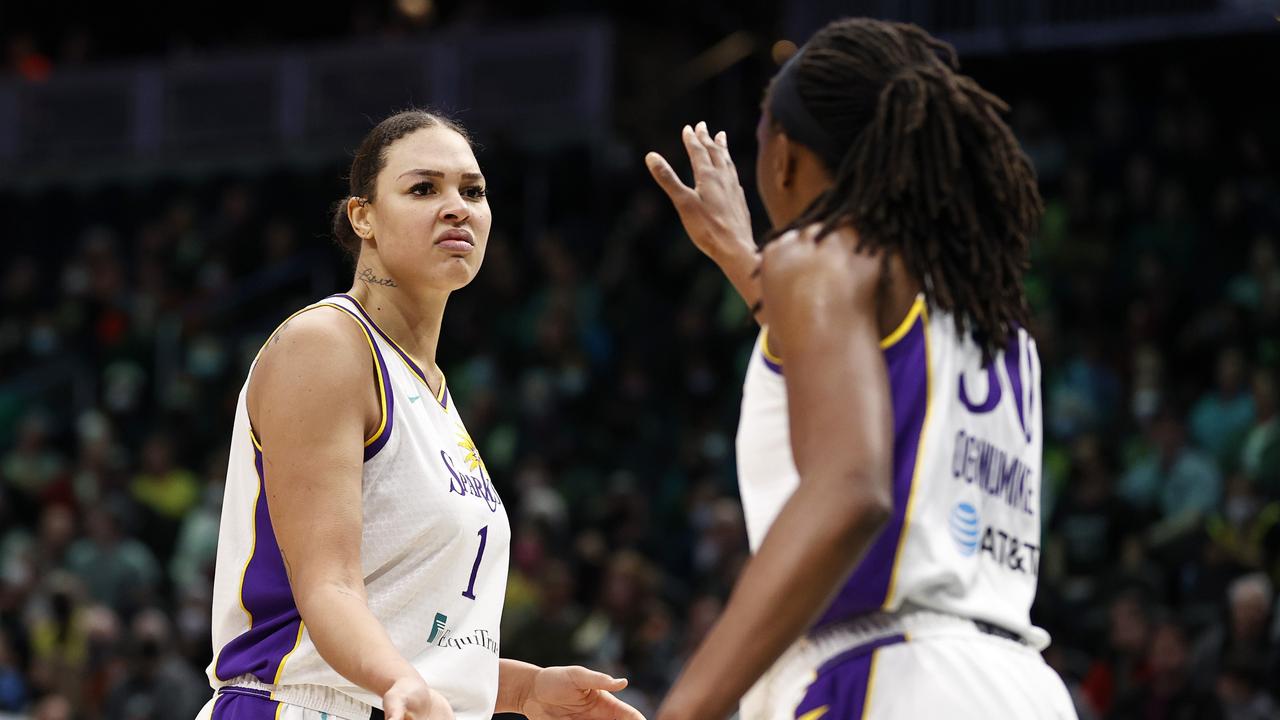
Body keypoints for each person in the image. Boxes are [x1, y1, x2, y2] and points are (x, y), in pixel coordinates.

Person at [645, 17, 1077, 719]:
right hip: (1021, 684)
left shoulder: (817, 256)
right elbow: (850, 364)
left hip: (886, 677)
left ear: (782, 156)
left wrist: (685, 709)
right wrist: (744, 261)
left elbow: (852, 488)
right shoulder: (986, 312)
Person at [198, 110, 642, 720]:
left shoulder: (427, 385)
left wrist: (521, 690)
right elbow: (327, 587)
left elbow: (410, 628)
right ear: (364, 217)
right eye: (424, 188)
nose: (457, 206)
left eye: (473, 190)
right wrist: (393, 681)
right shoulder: (327, 344)